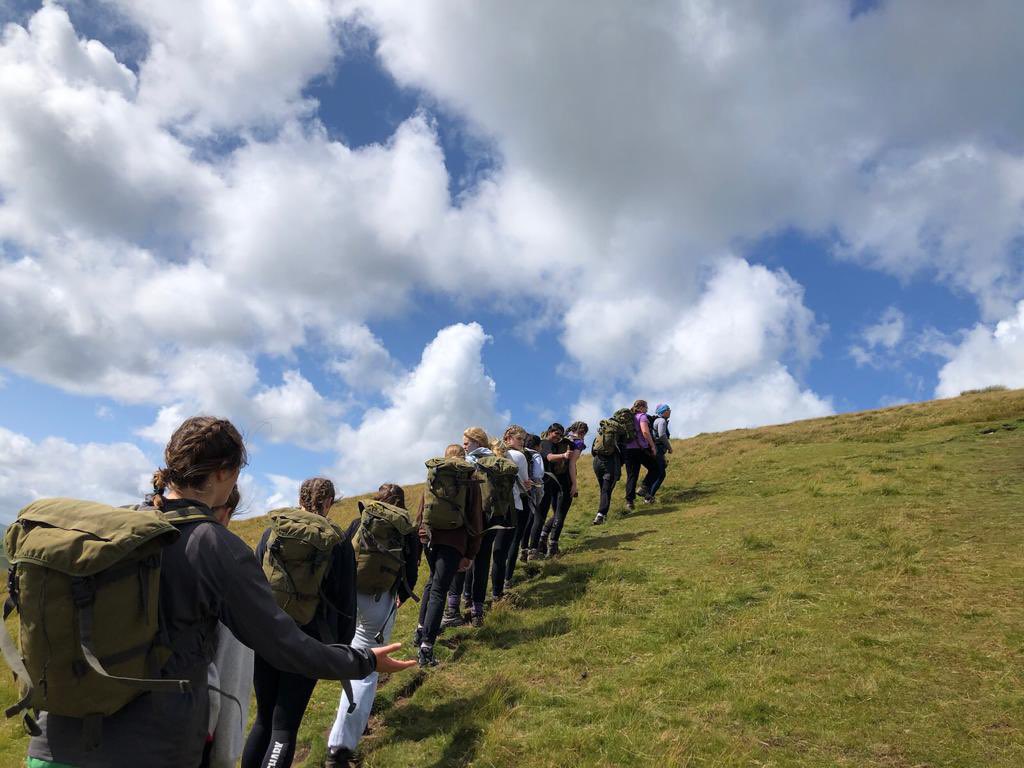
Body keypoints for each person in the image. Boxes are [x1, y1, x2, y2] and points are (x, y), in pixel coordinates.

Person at [26, 416, 414, 768]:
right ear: (226, 473)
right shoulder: (216, 546)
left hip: (50, 745)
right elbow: (286, 645)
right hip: (149, 750)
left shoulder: (121, 524)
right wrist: (362, 662)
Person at [242, 477, 361, 768]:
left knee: (263, 718)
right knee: (285, 726)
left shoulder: (273, 532)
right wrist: (339, 650)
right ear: (330, 502)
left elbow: (257, 582)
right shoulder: (337, 541)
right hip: (307, 641)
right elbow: (346, 600)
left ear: (300, 499)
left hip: (268, 634)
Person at [325, 484, 420, 768]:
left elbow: (343, 554)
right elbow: (412, 569)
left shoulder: (362, 518)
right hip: (381, 600)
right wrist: (401, 596)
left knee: (353, 657)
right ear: (401, 503)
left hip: (351, 595)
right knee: (368, 668)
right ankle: (340, 747)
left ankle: (353, 720)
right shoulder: (407, 528)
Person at [413, 444, 484, 667]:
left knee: (432, 582)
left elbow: (422, 509)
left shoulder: (434, 474)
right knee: (439, 590)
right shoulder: (469, 479)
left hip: (428, 537)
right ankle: (427, 648)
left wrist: (419, 535)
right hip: (454, 541)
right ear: (464, 459)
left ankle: (420, 630)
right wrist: (471, 552)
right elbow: (475, 518)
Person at [201, 486, 255, 768]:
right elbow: (231, 680)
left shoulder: (128, 540)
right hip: (180, 740)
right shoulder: (227, 561)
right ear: (226, 513)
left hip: (82, 735)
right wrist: (225, 758)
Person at [443, 427, 499, 628]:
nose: (464, 447)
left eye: (466, 443)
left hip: (471, 519)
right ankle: (477, 612)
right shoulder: (494, 460)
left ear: (477, 442)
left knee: (462, 560)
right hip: (492, 518)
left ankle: (453, 610)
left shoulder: (469, 463)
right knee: (483, 563)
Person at [490, 425, 530, 599]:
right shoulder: (519, 456)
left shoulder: (490, 454)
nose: (522, 442)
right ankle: (498, 593)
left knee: (486, 553)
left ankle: (469, 597)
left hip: (489, 508)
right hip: (512, 508)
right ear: (508, 439)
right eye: (519, 439)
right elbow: (524, 484)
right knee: (502, 552)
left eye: (523, 439)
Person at [526, 423, 575, 559]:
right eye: (556, 433)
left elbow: (572, 465)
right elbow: (548, 457)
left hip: (559, 484)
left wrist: (574, 484)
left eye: (560, 434)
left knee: (559, 515)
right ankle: (533, 550)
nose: (558, 436)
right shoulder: (545, 443)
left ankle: (551, 546)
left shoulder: (563, 444)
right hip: (546, 484)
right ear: (549, 432)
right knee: (540, 517)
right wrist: (564, 455)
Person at [623, 399, 659, 512]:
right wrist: (652, 445)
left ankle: (629, 502)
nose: (647, 409)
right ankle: (643, 488)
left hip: (628, 450)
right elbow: (645, 432)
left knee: (632, 476)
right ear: (642, 407)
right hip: (640, 449)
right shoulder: (642, 416)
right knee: (656, 468)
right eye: (646, 407)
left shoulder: (628, 418)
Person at [515, 434, 544, 568]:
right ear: (538, 446)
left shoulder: (520, 453)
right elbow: (539, 473)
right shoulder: (536, 455)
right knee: (532, 517)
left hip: (518, 489)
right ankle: (529, 550)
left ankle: (523, 548)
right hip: (532, 488)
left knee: (523, 521)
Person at [648, 404, 673, 499]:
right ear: (664, 411)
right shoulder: (662, 421)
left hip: (658, 450)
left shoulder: (658, 420)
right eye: (668, 409)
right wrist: (669, 447)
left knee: (658, 473)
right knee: (661, 474)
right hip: (658, 449)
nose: (670, 411)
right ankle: (649, 497)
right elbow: (662, 435)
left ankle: (648, 495)